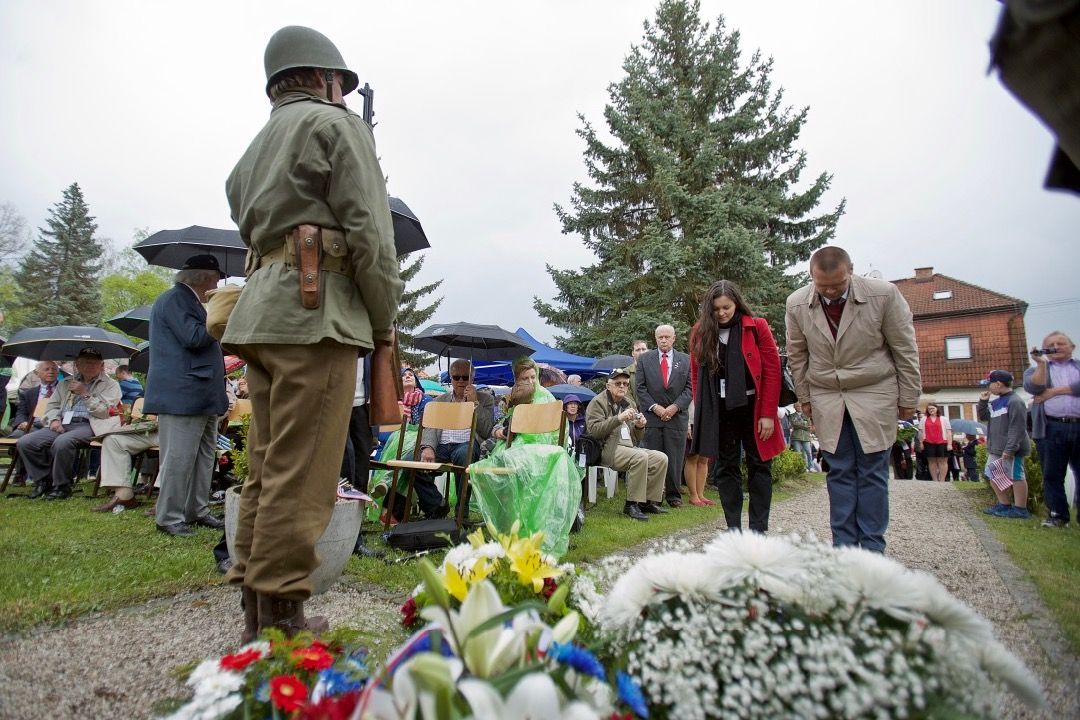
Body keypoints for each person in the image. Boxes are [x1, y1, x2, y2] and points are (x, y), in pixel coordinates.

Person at [222, 25, 405, 640]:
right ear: (326, 80)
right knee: (304, 475)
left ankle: (258, 612)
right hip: (317, 316)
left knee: (268, 467)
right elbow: (373, 234)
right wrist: (382, 320)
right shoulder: (337, 126)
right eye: (340, 86)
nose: (344, 97)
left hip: (263, 315)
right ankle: (282, 626)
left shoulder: (254, 150)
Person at [785, 246, 921, 553]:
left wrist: (909, 397)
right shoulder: (796, 303)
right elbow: (797, 354)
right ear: (811, 277)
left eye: (837, 284)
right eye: (822, 286)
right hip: (827, 394)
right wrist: (804, 398)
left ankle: (872, 549)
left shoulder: (883, 295)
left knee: (872, 471)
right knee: (840, 471)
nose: (830, 292)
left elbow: (904, 348)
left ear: (851, 271)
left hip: (874, 389)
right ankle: (844, 549)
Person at [143, 254, 229, 537]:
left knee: (204, 458)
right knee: (178, 459)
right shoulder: (175, 299)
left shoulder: (189, 302)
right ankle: (169, 517)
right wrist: (221, 316)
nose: (217, 286)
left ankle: (196, 510)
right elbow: (193, 337)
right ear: (203, 278)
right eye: (216, 280)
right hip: (183, 394)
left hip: (201, 393)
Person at [690, 281, 786, 532]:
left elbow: (772, 371)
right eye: (716, 309)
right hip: (720, 410)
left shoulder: (756, 326)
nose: (721, 313)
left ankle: (758, 530)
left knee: (760, 466)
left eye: (726, 307)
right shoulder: (701, 331)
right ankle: (734, 529)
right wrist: (702, 412)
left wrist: (768, 414)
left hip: (753, 407)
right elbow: (696, 375)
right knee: (726, 468)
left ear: (737, 304)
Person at [469, 357, 584, 556]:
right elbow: (500, 425)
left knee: (520, 468)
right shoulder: (513, 397)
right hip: (513, 447)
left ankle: (532, 530)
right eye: (525, 378)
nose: (531, 382)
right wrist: (502, 430)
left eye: (533, 377)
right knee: (503, 470)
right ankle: (510, 528)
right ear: (517, 379)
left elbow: (556, 434)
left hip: (542, 450)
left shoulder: (547, 399)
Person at [16, 348, 121, 499]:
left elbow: (104, 412)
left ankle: (62, 486)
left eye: (94, 363)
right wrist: (54, 420)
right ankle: (44, 481)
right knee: (26, 442)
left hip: (91, 424)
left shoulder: (111, 385)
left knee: (63, 442)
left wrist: (84, 393)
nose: (90, 366)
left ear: (102, 365)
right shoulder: (65, 383)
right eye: (85, 362)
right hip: (64, 423)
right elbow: (52, 406)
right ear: (77, 365)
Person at [415, 359, 495, 518]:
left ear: (472, 378)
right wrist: (428, 447)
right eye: (456, 377)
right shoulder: (439, 400)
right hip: (442, 445)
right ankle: (437, 505)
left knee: (464, 455)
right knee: (413, 459)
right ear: (450, 378)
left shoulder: (486, 399)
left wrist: (474, 403)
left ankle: (461, 515)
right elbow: (430, 427)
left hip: (467, 444)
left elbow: (487, 431)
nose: (461, 381)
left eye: (465, 377)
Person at [586, 367, 667, 521]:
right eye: (618, 383)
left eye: (625, 384)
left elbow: (636, 438)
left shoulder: (628, 403)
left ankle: (647, 502)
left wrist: (639, 426)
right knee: (640, 457)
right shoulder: (598, 402)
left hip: (629, 447)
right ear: (608, 386)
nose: (622, 386)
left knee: (660, 458)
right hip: (607, 449)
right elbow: (594, 431)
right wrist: (618, 418)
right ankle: (631, 505)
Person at [1022, 331, 1080, 528]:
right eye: (1051, 344)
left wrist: (1054, 391)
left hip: (1078, 424)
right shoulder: (1036, 370)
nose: (1056, 347)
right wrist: (1041, 364)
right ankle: (1058, 514)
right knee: (1052, 473)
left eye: (1060, 343)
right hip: (1051, 427)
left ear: (1072, 347)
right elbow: (1034, 387)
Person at [636, 324, 693, 507]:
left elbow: (690, 388)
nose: (664, 340)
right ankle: (654, 497)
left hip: (677, 417)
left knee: (675, 458)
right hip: (653, 417)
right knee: (654, 458)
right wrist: (656, 408)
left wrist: (675, 407)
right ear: (656, 339)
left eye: (667, 337)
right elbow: (640, 388)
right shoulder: (645, 360)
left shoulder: (686, 360)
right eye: (660, 337)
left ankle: (674, 495)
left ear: (674, 338)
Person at [977, 370, 1032, 518]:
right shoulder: (996, 402)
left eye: (989, 384)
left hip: (1012, 449)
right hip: (997, 448)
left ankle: (1021, 509)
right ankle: (1004, 504)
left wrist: (1010, 449)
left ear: (998, 384)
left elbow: (1017, 428)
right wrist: (983, 402)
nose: (988, 387)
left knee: (1016, 476)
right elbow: (984, 417)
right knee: (992, 473)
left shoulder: (1015, 401)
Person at [7, 360, 59, 439]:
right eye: (46, 369)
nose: (51, 372)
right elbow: (21, 412)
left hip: (54, 425)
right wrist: (23, 422)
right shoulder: (27, 394)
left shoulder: (65, 390)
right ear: (38, 373)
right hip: (33, 425)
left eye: (54, 369)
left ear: (57, 372)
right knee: (16, 435)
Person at [682, 399, 713, 506]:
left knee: (704, 459)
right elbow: (686, 403)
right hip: (692, 420)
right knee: (692, 458)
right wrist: (687, 425)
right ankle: (693, 495)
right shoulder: (690, 387)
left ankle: (700, 494)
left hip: (708, 421)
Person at [917, 403, 952, 482]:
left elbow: (949, 432)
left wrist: (949, 444)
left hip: (942, 442)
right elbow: (920, 432)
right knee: (931, 461)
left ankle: (942, 480)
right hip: (928, 442)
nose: (931, 410)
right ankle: (935, 480)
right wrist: (921, 443)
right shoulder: (924, 419)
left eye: (932, 408)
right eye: (929, 409)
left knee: (942, 461)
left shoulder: (944, 419)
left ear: (937, 409)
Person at [628, 339, 649, 408]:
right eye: (638, 350)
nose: (641, 352)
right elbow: (626, 397)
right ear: (633, 353)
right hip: (634, 412)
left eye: (643, 349)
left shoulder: (656, 370)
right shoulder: (626, 373)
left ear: (648, 351)